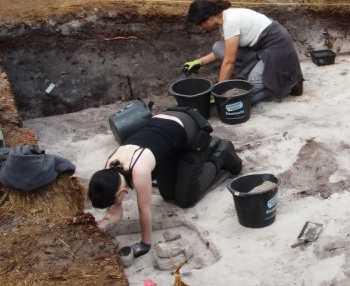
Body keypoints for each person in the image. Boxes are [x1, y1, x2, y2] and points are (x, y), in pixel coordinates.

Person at [87, 108, 242, 258]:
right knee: (167, 194)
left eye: (114, 201)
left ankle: (221, 154)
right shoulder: (109, 173)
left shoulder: (139, 171)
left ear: (122, 192)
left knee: (186, 198)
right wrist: (98, 230)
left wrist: (145, 243)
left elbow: (144, 211)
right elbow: (114, 213)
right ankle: (211, 147)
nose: (115, 204)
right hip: (168, 135)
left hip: (189, 130)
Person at [183, 0, 304, 104]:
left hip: (277, 51)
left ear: (208, 18)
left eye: (200, 24)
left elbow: (229, 62)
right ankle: (262, 71)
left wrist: (218, 91)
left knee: (246, 95)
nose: (200, 28)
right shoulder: (223, 20)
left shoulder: (231, 21)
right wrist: (198, 62)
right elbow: (225, 51)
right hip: (259, 49)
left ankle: (287, 83)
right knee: (218, 47)